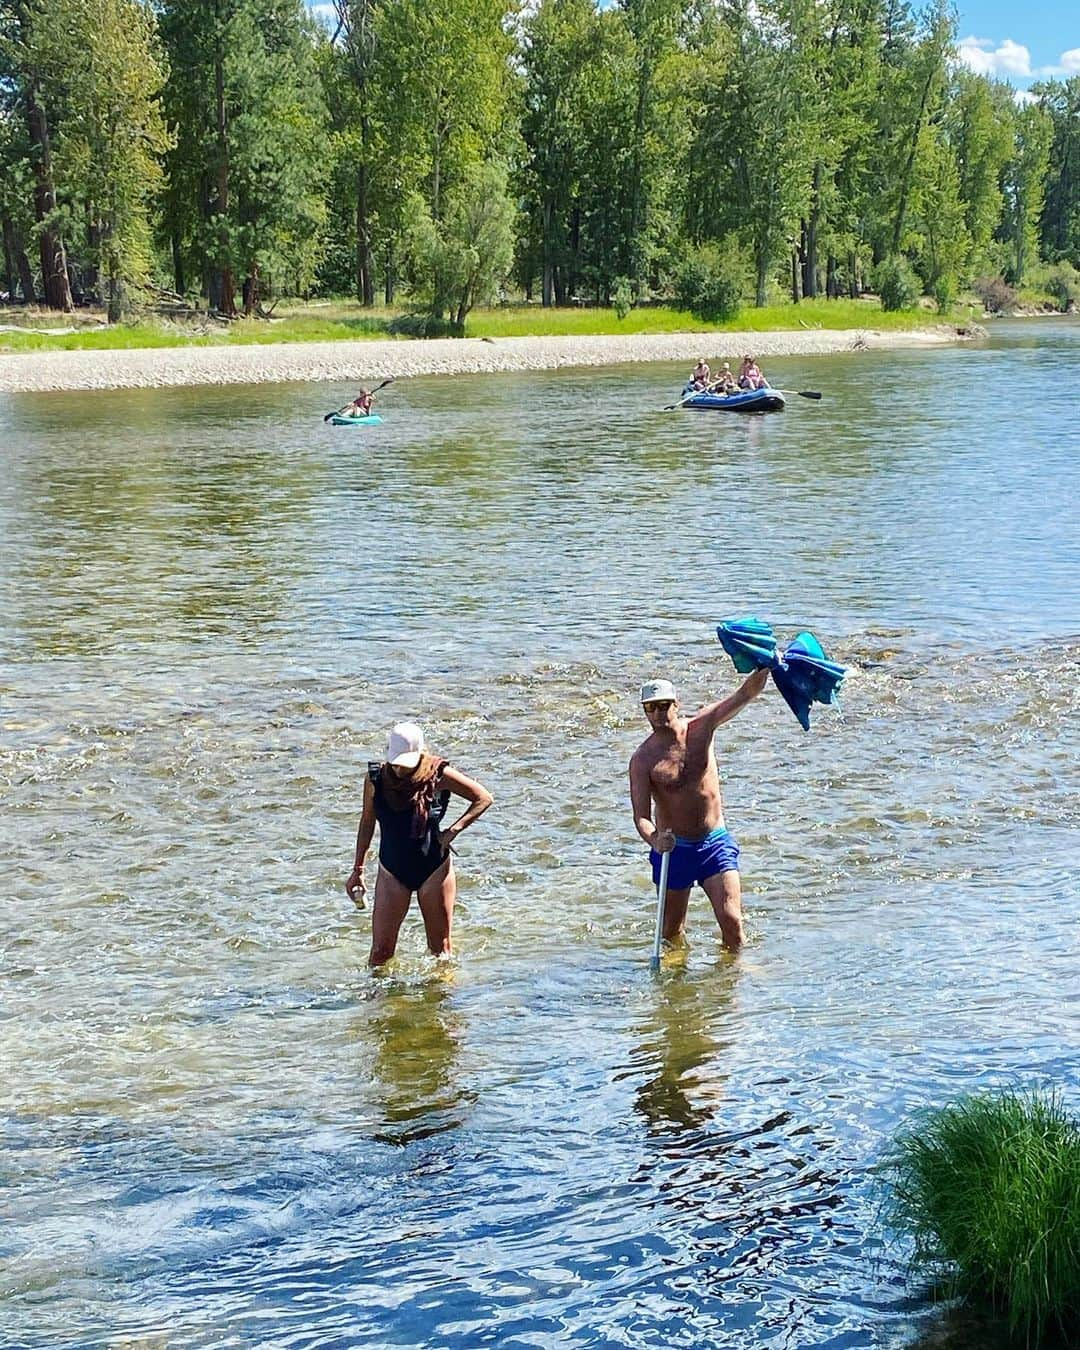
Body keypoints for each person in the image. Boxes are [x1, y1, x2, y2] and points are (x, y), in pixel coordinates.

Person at [629, 672, 769, 952]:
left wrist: (766, 666)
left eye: (664, 705)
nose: (658, 713)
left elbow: (745, 694)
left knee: (732, 922)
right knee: (670, 931)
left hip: (714, 842)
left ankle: (732, 985)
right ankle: (680, 988)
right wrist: (655, 839)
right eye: (650, 707)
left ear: (676, 704)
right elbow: (641, 817)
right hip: (674, 850)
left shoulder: (702, 727)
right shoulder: (642, 759)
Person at [346, 722, 493, 966]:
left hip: (434, 869)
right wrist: (357, 870)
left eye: (406, 764)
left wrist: (452, 831)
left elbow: (483, 798)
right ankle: (375, 1003)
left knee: (440, 951)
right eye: (396, 763)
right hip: (392, 871)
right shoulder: (376, 778)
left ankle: (442, 1000)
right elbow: (367, 822)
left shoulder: (438, 774)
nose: (400, 769)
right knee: (380, 953)